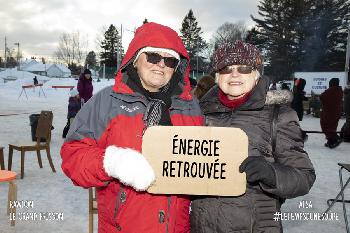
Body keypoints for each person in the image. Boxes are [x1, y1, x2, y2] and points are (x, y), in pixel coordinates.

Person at [60, 22, 203, 233]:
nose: (161, 64)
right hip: (123, 226)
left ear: (177, 67)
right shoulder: (107, 102)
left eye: (170, 60)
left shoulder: (190, 106)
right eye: (153, 56)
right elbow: (73, 157)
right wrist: (111, 162)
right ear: (135, 60)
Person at [190, 40, 316, 233]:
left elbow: (304, 176)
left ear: (256, 75)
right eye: (226, 69)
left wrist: (271, 173)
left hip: (256, 227)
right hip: (202, 227)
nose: (234, 74)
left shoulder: (278, 116)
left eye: (244, 68)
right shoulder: (199, 112)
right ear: (217, 76)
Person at [320, 78, 343, 148]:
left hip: (329, 112)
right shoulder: (339, 90)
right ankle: (331, 141)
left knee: (325, 126)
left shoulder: (331, 90)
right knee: (332, 126)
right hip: (336, 112)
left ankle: (336, 138)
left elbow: (322, 96)